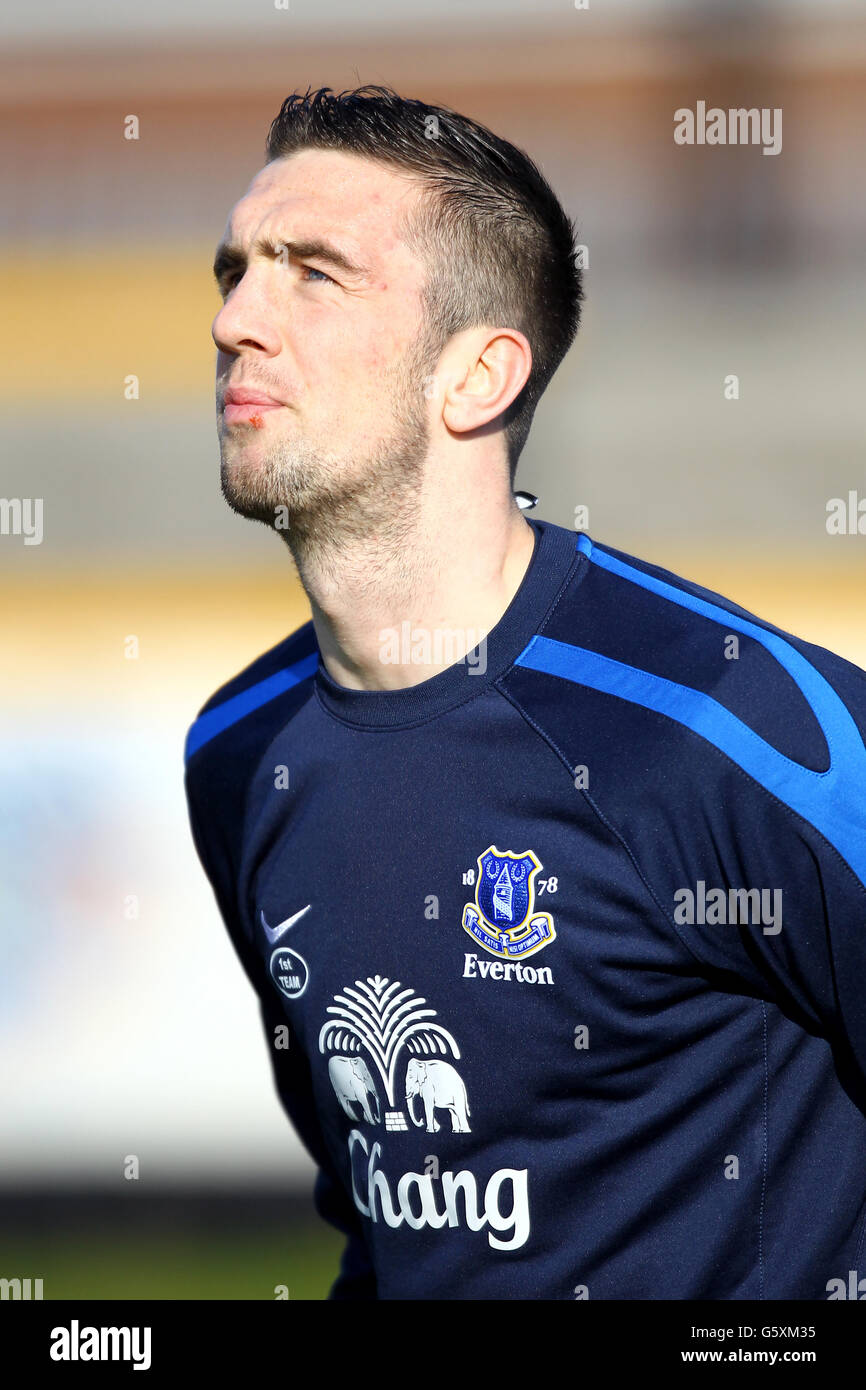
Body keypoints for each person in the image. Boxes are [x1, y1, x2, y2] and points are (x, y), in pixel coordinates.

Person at [185, 85, 866, 1300]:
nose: (239, 318)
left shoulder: (736, 727)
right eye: (236, 269)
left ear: (477, 375)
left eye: (313, 273)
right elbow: (391, 1224)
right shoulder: (238, 756)